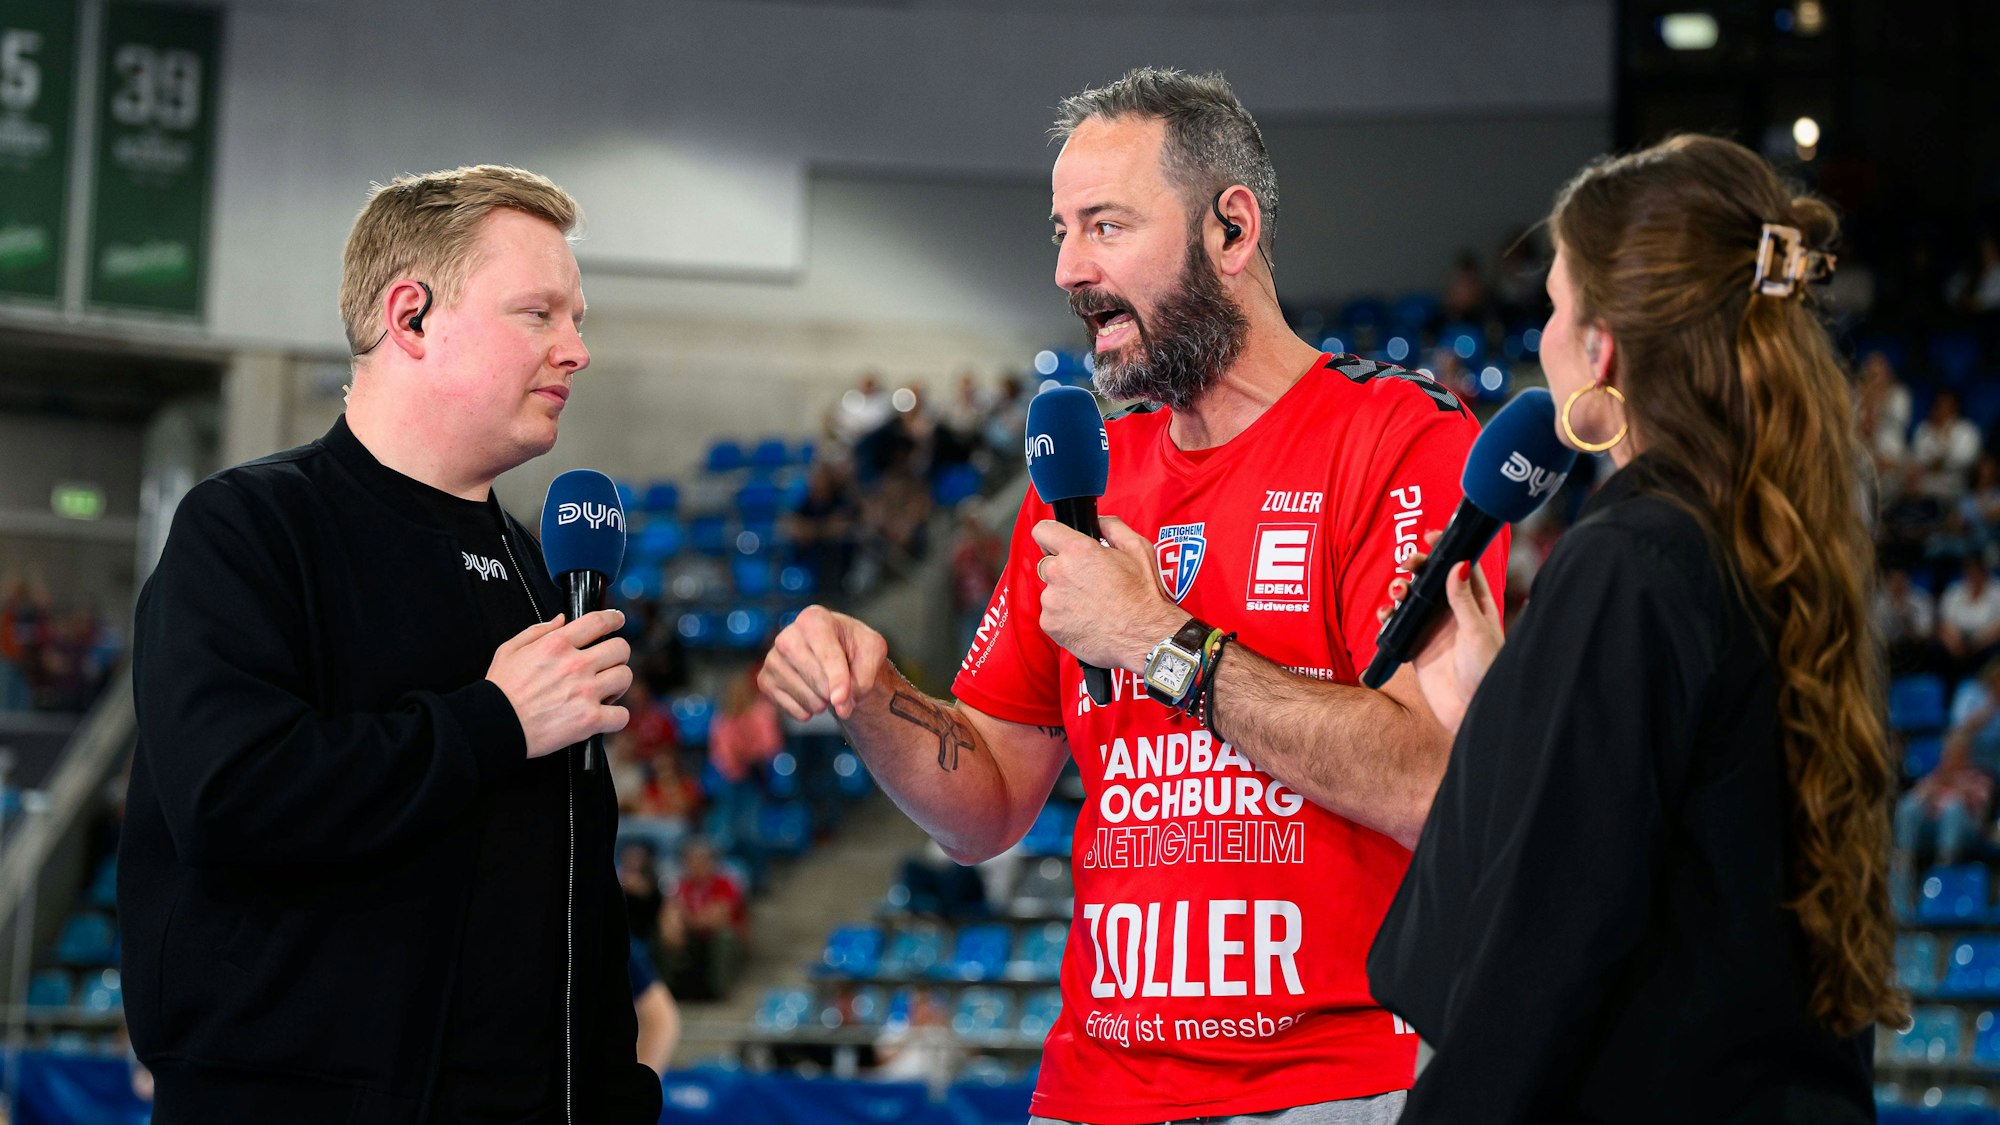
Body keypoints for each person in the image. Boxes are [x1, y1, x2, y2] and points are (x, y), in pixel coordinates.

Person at [761, 67, 1500, 1125]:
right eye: (1059, 231)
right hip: (1093, 1092)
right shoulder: (1082, 477)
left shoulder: (1400, 441)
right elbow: (986, 809)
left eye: (1105, 225)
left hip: (1337, 1088)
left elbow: (1429, 780)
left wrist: (1157, 639)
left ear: (1230, 230)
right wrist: (873, 696)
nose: (1068, 269)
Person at [1366, 135, 1903, 1122]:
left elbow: (1543, 957)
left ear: (1601, 347)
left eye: (1554, 308)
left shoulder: (1630, 557)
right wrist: (1513, 709)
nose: (1544, 337)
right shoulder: (1786, 542)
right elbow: (1688, 832)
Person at [118, 165, 661, 1125]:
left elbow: (579, 890)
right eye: (539, 314)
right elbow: (231, 796)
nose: (576, 350)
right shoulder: (250, 529)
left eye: (577, 319)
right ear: (409, 317)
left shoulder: (538, 570)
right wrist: (490, 721)